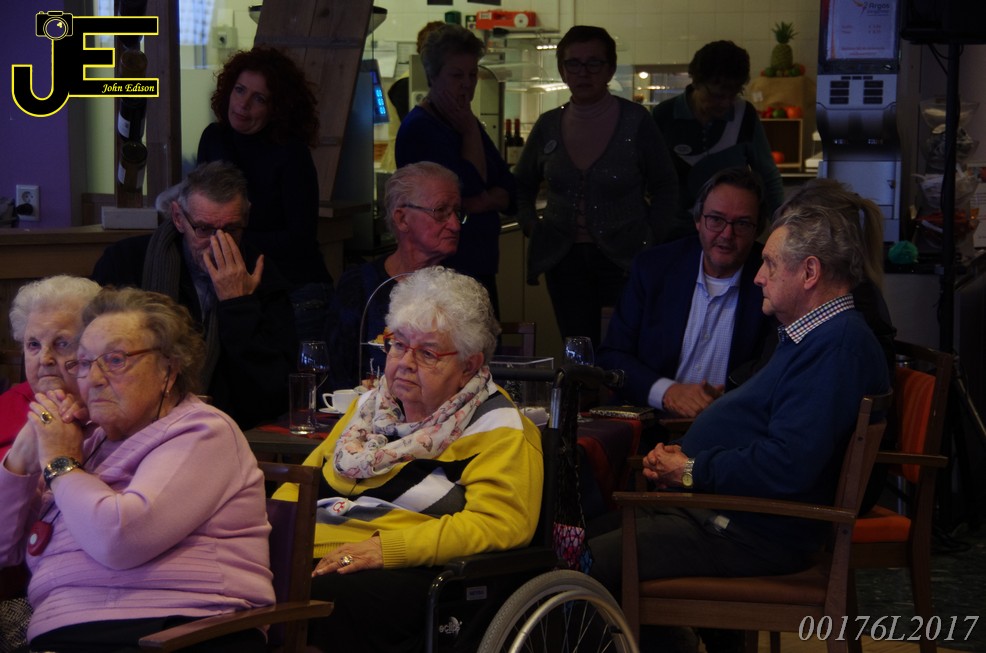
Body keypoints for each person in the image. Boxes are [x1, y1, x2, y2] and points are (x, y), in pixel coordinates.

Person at [589, 194, 891, 653]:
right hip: (727, 515)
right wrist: (688, 464)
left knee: (579, 561)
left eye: (770, 264)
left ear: (809, 272)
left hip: (750, 532)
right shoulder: (814, 336)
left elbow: (788, 464)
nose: (758, 276)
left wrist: (690, 470)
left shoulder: (837, 346)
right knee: (576, 536)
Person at [274, 266, 543, 652]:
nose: (405, 362)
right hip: (312, 554)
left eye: (428, 353)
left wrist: (387, 548)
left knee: (320, 602)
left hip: (409, 569)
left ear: (469, 365)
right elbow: (301, 482)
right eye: (398, 344)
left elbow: (500, 525)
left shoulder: (498, 426)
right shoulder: (369, 410)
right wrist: (268, 535)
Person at [0, 287, 274, 652]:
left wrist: (61, 465)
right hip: (64, 634)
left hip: (179, 631)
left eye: (115, 360)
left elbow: (119, 540)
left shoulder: (202, 431)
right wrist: (23, 453)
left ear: (168, 370)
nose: (94, 378)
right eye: (85, 363)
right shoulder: (86, 441)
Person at [728, 177, 897, 515]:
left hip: (811, 499)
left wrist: (695, 467)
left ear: (811, 265)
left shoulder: (842, 327)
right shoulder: (822, 312)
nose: (760, 276)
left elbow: (798, 452)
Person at [91, 160, 296, 429]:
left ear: (245, 219)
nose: (217, 243)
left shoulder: (262, 274)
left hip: (231, 428)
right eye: (204, 229)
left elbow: (275, 393)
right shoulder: (125, 262)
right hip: (134, 424)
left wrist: (238, 305)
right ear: (178, 218)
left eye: (231, 230)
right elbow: (95, 358)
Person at [514, 25, 678, 349]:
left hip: (626, 258)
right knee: (577, 348)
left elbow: (666, 185)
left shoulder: (636, 121)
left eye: (594, 63)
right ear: (562, 70)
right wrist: (530, 224)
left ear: (610, 69)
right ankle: (582, 386)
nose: (583, 72)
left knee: (625, 348)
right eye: (573, 63)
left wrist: (652, 236)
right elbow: (521, 184)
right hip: (564, 260)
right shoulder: (548, 124)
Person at [597, 168, 774, 418]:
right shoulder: (654, 269)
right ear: (698, 220)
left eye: (742, 224)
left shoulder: (773, 279)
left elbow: (776, 369)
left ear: (757, 230)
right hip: (649, 422)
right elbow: (612, 356)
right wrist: (667, 392)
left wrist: (727, 402)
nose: (727, 234)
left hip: (732, 425)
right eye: (716, 219)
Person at [197, 45, 333, 342]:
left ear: (276, 109)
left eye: (259, 98)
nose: (243, 104)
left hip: (295, 291)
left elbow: (300, 237)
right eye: (240, 90)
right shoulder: (214, 138)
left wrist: (231, 242)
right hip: (238, 289)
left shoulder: (291, 152)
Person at [395, 24, 516, 314]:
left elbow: (510, 190)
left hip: (480, 266)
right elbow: (465, 191)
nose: (467, 84)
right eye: (457, 75)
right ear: (432, 76)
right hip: (445, 271)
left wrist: (481, 201)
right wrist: (471, 135)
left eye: (472, 75)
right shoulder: (421, 129)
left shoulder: (464, 120)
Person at [325, 161, 462, 390]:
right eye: (441, 212)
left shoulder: (463, 291)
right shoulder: (360, 286)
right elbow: (337, 376)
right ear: (402, 219)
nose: (455, 225)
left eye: (457, 212)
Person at [653, 40, 784, 242]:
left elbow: (768, 175)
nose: (725, 103)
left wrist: (781, 226)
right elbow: (649, 178)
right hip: (675, 233)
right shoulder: (664, 115)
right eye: (716, 95)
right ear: (696, 81)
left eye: (733, 94)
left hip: (731, 233)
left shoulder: (744, 114)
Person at [1, 276, 101, 460]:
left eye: (62, 343)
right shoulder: (9, 404)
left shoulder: (112, 417)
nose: (45, 359)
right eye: (34, 345)